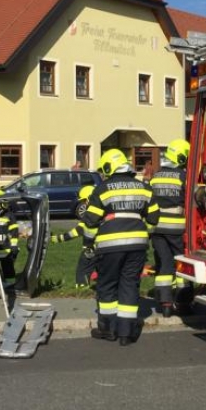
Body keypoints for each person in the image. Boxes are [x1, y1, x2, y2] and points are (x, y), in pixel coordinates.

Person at [82, 148, 159, 346]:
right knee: (129, 285)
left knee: (107, 285)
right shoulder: (145, 187)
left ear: (109, 167)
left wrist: (88, 242)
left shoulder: (103, 189)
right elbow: (154, 218)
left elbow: (90, 220)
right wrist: (144, 232)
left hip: (109, 246)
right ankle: (126, 333)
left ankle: (108, 329)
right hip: (137, 246)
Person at [149, 138, 191, 317]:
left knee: (164, 265)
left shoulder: (156, 175)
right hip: (176, 229)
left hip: (157, 229)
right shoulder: (183, 176)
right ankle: (183, 304)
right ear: (182, 157)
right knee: (182, 265)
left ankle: (165, 305)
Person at [50, 185, 98, 288]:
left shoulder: (91, 212)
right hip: (107, 247)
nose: (84, 203)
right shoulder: (104, 209)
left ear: (89, 198)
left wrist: (58, 239)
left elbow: (78, 231)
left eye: (85, 200)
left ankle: (81, 289)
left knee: (82, 269)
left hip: (92, 249)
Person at [0, 189, 19, 283]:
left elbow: (14, 232)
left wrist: (14, 246)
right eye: (4, 203)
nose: (6, 205)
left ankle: (11, 286)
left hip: (6, 249)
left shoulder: (9, 215)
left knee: (8, 269)